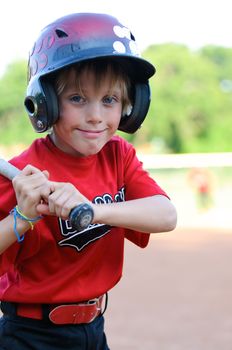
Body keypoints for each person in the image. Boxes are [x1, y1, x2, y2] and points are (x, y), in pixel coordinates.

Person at [0, 13, 177, 350]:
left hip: (93, 329)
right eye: (77, 99)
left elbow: (165, 215)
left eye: (109, 100)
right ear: (45, 103)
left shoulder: (118, 155)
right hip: (29, 334)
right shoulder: (23, 174)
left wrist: (92, 211)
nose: (96, 115)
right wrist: (21, 218)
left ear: (131, 105)